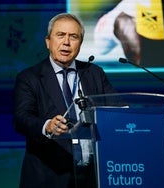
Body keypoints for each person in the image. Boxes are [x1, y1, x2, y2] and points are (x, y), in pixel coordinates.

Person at [13, 13, 116, 188]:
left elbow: (116, 109)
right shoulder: (30, 77)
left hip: (91, 175)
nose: (66, 42)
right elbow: (22, 118)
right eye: (60, 35)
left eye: (73, 37)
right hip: (49, 177)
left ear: (80, 43)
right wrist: (47, 126)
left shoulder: (94, 73)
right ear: (48, 42)